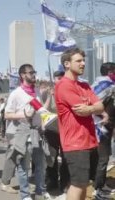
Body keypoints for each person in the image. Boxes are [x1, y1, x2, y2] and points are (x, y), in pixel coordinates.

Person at [55, 47, 104, 200]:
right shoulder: (63, 85)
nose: (83, 63)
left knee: (84, 184)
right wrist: (94, 108)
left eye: (83, 60)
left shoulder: (84, 85)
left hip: (89, 142)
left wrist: (91, 108)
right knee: (77, 184)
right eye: (78, 61)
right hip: (75, 145)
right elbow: (80, 111)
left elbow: (101, 106)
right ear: (67, 64)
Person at [1, 64, 49, 200]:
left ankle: (40, 191)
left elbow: (40, 111)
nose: (34, 74)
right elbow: (7, 114)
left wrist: (43, 124)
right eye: (31, 72)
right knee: (23, 167)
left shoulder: (37, 92)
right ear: (23, 75)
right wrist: (24, 114)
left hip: (37, 133)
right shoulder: (16, 93)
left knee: (40, 165)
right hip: (22, 134)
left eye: (34, 72)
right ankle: (25, 195)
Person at [41, 70, 69, 193]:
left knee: (66, 157)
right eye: (57, 78)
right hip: (51, 130)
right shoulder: (46, 93)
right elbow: (42, 110)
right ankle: (52, 181)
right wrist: (51, 96)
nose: (59, 81)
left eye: (61, 78)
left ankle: (65, 182)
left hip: (66, 130)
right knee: (51, 157)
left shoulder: (69, 91)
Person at [91, 62, 115, 199]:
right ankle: (97, 189)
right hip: (100, 127)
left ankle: (100, 183)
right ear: (110, 71)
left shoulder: (107, 85)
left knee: (103, 158)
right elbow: (92, 105)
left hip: (106, 126)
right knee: (103, 159)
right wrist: (103, 115)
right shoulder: (105, 86)